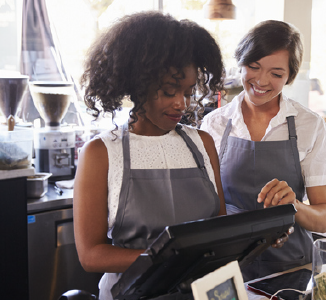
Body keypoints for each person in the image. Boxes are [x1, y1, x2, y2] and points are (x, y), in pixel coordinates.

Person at [73, 11, 228, 300]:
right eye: (170, 91)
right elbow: (91, 255)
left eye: (188, 91)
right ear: (139, 84)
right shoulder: (101, 153)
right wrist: (168, 259)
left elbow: (217, 228)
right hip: (130, 293)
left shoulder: (203, 143)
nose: (182, 104)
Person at [200, 20, 326, 281]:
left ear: (289, 77)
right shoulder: (214, 124)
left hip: (291, 266)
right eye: (253, 67)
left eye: (276, 74)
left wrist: (294, 206)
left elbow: (324, 219)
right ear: (240, 62)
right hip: (228, 265)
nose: (261, 81)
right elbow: (205, 207)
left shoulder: (310, 126)